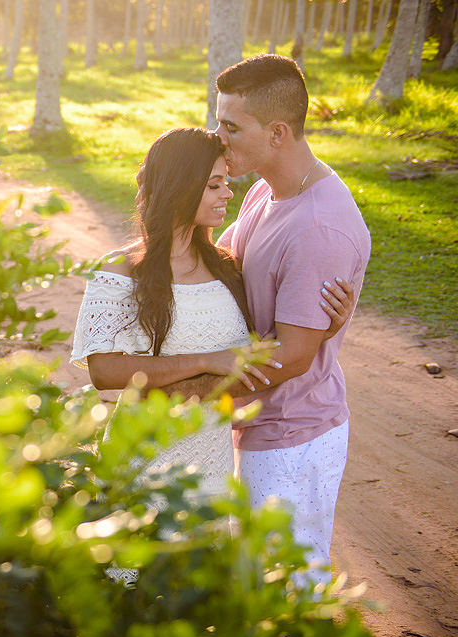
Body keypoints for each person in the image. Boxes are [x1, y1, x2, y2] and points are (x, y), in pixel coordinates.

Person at [69, 127, 353, 585]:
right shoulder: (120, 268)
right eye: (214, 184)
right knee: (135, 590)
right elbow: (106, 371)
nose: (228, 193)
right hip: (144, 459)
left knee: (198, 600)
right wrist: (207, 360)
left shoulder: (227, 266)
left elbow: (263, 351)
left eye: (227, 181)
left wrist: (322, 330)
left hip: (213, 463)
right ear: (181, 184)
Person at [160, 54, 370, 587]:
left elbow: (296, 356)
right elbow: (219, 269)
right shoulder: (265, 191)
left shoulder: (319, 226)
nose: (218, 136)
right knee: (251, 584)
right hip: (255, 426)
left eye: (231, 126)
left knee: (288, 595)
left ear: (277, 133)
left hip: (289, 437)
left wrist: (197, 394)